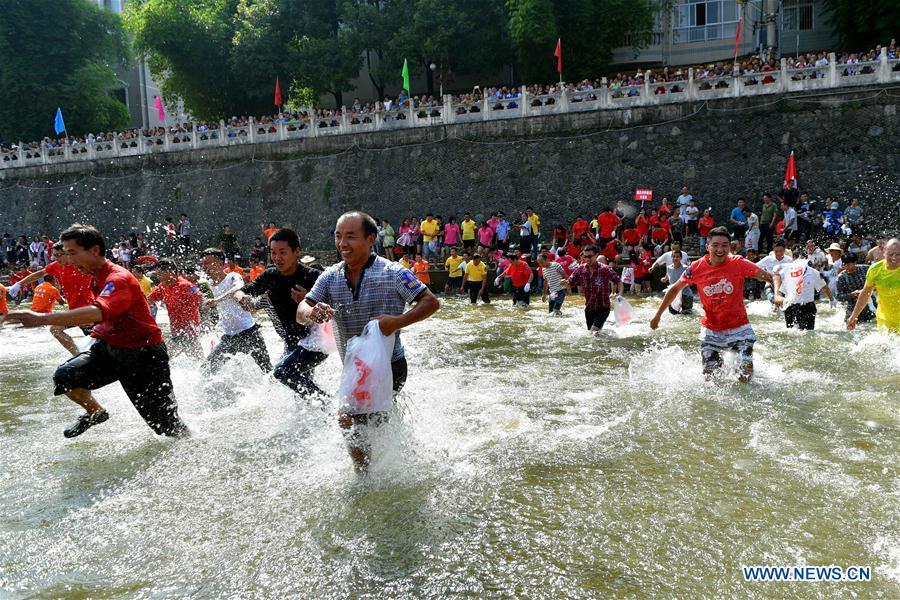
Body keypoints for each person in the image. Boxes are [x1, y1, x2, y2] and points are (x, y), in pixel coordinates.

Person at [1, 224, 189, 438]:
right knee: (65, 376)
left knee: (166, 426)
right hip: (109, 349)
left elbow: (99, 312)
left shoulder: (117, 278)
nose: (69, 261)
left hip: (143, 356)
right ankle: (95, 412)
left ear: (94, 250)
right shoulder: (94, 276)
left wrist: (42, 319)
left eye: (72, 253)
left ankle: (194, 450)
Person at [297, 211, 440, 471]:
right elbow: (301, 311)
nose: (342, 244)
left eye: (350, 237)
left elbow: (430, 302)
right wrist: (312, 312)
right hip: (353, 367)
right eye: (338, 237)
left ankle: (364, 476)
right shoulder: (330, 276)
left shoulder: (393, 272)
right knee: (371, 419)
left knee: (347, 417)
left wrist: (394, 322)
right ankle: (393, 460)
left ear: (371, 238)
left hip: (391, 364)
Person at [650, 227, 773, 381]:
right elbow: (674, 289)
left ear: (730, 247)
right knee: (711, 378)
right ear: (707, 247)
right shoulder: (696, 268)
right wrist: (658, 315)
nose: (720, 249)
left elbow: (769, 277)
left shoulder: (739, 263)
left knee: (744, 375)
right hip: (711, 330)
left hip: (740, 327)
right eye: (715, 245)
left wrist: (779, 292)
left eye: (724, 245)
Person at [235, 228, 326, 396]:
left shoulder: (313, 276)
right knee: (300, 388)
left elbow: (338, 302)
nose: (277, 258)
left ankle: (327, 404)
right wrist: (242, 297)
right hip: (292, 342)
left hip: (316, 341)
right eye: (273, 253)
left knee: (282, 371)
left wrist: (308, 299)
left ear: (296, 251)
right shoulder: (271, 276)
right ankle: (318, 414)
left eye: (282, 252)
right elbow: (243, 290)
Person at [10, 242, 95, 356]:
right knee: (55, 329)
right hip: (74, 311)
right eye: (55, 255)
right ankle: (78, 356)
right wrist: (19, 284)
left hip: (91, 310)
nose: (57, 258)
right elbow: (40, 273)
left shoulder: (82, 264)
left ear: (69, 253)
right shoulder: (56, 266)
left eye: (60, 255)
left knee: (103, 343)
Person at [200, 248, 271, 373]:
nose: (204, 267)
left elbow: (238, 287)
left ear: (220, 264)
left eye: (207, 263)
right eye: (202, 264)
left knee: (268, 370)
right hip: (229, 336)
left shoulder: (233, 276)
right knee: (206, 370)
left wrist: (216, 300)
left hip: (249, 333)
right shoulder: (211, 283)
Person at [147, 259, 204, 358]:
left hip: (190, 331)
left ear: (170, 271)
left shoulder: (187, 285)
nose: (157, 276)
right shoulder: (162, 287)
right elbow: (149, 300)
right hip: (175, 330)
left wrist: (205, 321)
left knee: (195, 357)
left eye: (160, 273)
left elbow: (201, 298)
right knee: (171, 357)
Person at [561, 245, 623, 333]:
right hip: (589, 307)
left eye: (590, 256)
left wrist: (619, 294)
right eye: (585, 256)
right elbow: (570, 283)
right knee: (592, 333)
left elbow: (618, 281)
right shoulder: (580, 269)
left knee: (594, 332)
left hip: (603, 307)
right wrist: (565, 283)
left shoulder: (605, 269)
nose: (587, 259)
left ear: (596, 255)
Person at [847, 238, 900, 333]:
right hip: (885, 319)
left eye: (898, 254)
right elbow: (865, 294)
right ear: (884, 253)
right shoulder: (875, 270)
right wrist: (853, 316)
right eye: (891, 254)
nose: (894, 258)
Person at [772, 258, 835, 330]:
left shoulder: (814, 273)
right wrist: (777, 294)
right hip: (790, 306)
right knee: (791, 332)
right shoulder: (787, 270)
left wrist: (832, 299)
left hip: (808, 307)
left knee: (808, 333)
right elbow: (776, 275)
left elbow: (824, 286)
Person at [835, 254, 875, 323]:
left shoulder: (866, 269)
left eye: (848, 264)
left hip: (870, 305)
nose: (846, 266)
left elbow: (877, 281)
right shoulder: (841, 278)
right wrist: (852, 294)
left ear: (855, 263)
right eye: (845, 264)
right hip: (853, 308)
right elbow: (838, 297)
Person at [660, 249, 693, 314]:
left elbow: (691, 282)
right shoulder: (669, 268)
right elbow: (667, 277)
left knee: (686, 316)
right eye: (674, 256)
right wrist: (663, 279)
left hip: (686, 295)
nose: (675, 258)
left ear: (680, 258)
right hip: (673, 295)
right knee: (673, 315)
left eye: (677, 256)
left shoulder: (686, 268)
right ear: (671, 257)